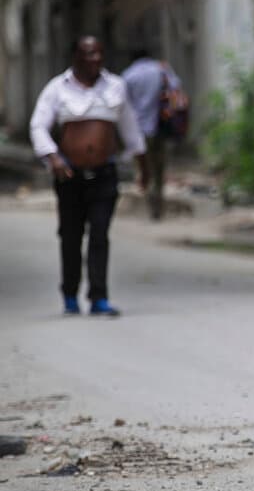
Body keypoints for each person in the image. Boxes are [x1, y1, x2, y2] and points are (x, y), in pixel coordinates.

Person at [29, 36, 148, 317]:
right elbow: (38, 126)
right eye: (89, 53)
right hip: (70, 175)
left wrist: (143, 166)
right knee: (71, 236)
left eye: (99, 53)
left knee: (99, 234)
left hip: (105, 174)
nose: (95, 59)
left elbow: (130, 128)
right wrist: (53, 158)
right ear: (76, 57)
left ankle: (99, 297)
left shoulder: (115, 86)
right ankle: (70, 294)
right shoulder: (57, 88)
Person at [122, 48, 185, 220]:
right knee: (159, 167)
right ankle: (158, 201)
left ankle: (150, 200)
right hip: (160, 126)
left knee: (144, 168)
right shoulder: (161, 69)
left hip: (139, 129)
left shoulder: (129, 75)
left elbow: (123, 102)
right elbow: (176, 88)